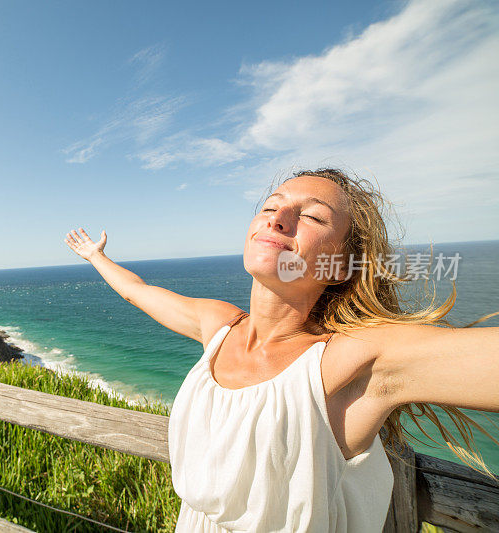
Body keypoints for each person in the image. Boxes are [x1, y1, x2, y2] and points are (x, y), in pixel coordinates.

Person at [64, 168, 499, 532]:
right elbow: (138, 292)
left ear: (341, 264)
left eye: (311, 216)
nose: (277, 218)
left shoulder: (352, 360)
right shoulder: (218, 325)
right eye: (270, 206)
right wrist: (96, 257)